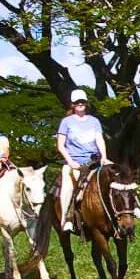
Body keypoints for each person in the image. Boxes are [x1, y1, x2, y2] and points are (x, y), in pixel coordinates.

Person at [57, 89, 113, 232]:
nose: (80, 104)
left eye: (82, 102)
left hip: (94, 160)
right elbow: (60, 145)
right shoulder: (66, 122)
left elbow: (99, 140)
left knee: (119, 174)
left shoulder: (94, 121)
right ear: (73, 105)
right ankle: (66, 218)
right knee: (68, 187)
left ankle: (132, 208)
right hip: (74, 162)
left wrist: (104, 157)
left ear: (86, 104)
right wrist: (70, 162)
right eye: (77, 102)